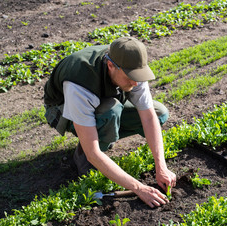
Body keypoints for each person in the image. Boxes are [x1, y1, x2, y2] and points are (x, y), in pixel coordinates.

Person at [43, 36, 176, 208]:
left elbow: (149, 117)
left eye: (138, 76)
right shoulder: (79, 84)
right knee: (110, 113)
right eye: (130, 77)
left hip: (103, 98)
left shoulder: (131, 64)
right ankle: (84, 160)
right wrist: (139, 188)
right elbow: (93, 152)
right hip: (61, 109)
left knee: (159, 114)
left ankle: (103, 134)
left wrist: (161, 166)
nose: (136, 82)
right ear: (111, 66)